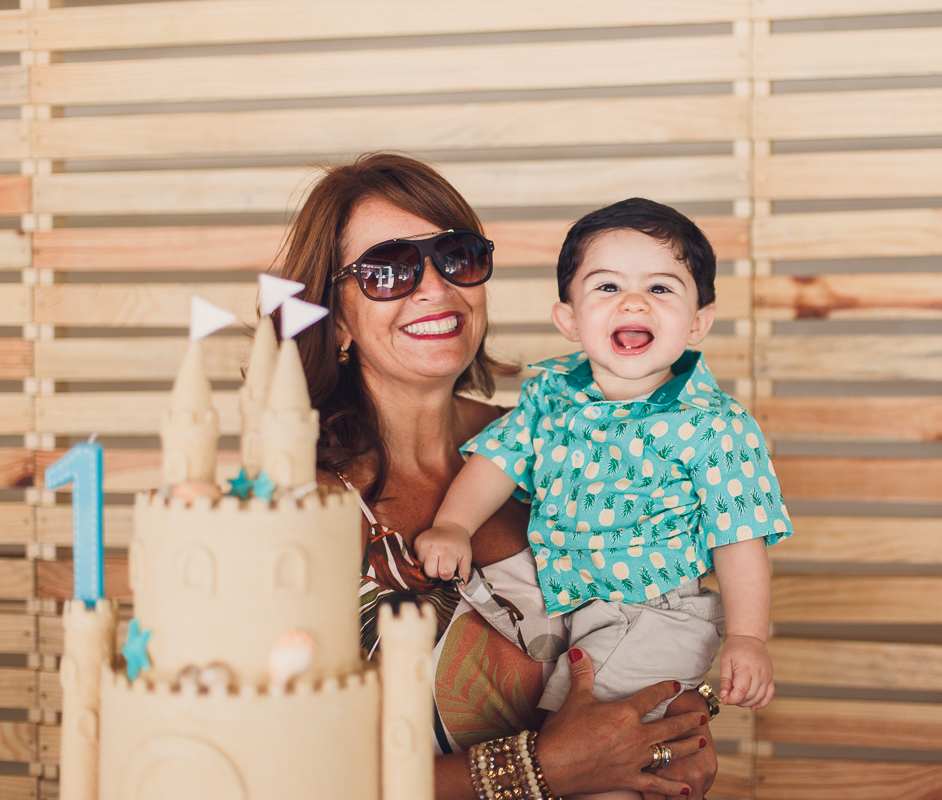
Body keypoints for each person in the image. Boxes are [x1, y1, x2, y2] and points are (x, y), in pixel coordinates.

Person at [275, 153, 718, 800]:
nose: (434, 287)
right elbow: (285, 772)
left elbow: (658, 617)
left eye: (456, 255)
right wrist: (540, 771)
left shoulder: (562, 444)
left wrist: (672, 737)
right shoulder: (300, 506)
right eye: (387, 270)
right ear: (336, 317)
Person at [413, 198, 794, 799]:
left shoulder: (716, 426)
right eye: (608, 285)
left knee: (589, 749)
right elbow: (497, 463)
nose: (634, 302)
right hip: (574, 611)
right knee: (597, 759)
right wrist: (455, 525)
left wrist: (748, 637)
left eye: (662, 288)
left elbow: (738, 538)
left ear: (698, 322)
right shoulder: (550, 397)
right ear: (569, 319)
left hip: (656, 615)